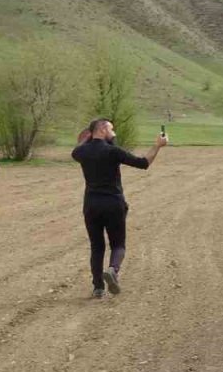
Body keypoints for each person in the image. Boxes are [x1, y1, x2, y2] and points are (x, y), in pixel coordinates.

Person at [71, 119, 167, 299]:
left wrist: (89, 137)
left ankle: (98, 287)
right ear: (101, 129)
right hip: (113, 204)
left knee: (96, 247)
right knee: (118, 245)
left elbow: (78, 149)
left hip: (91, 205)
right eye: (111, 129)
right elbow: (143, 163)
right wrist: (158, 145)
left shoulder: (80, 152)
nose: (114, 132)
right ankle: (113, 270)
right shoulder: (112, 151)